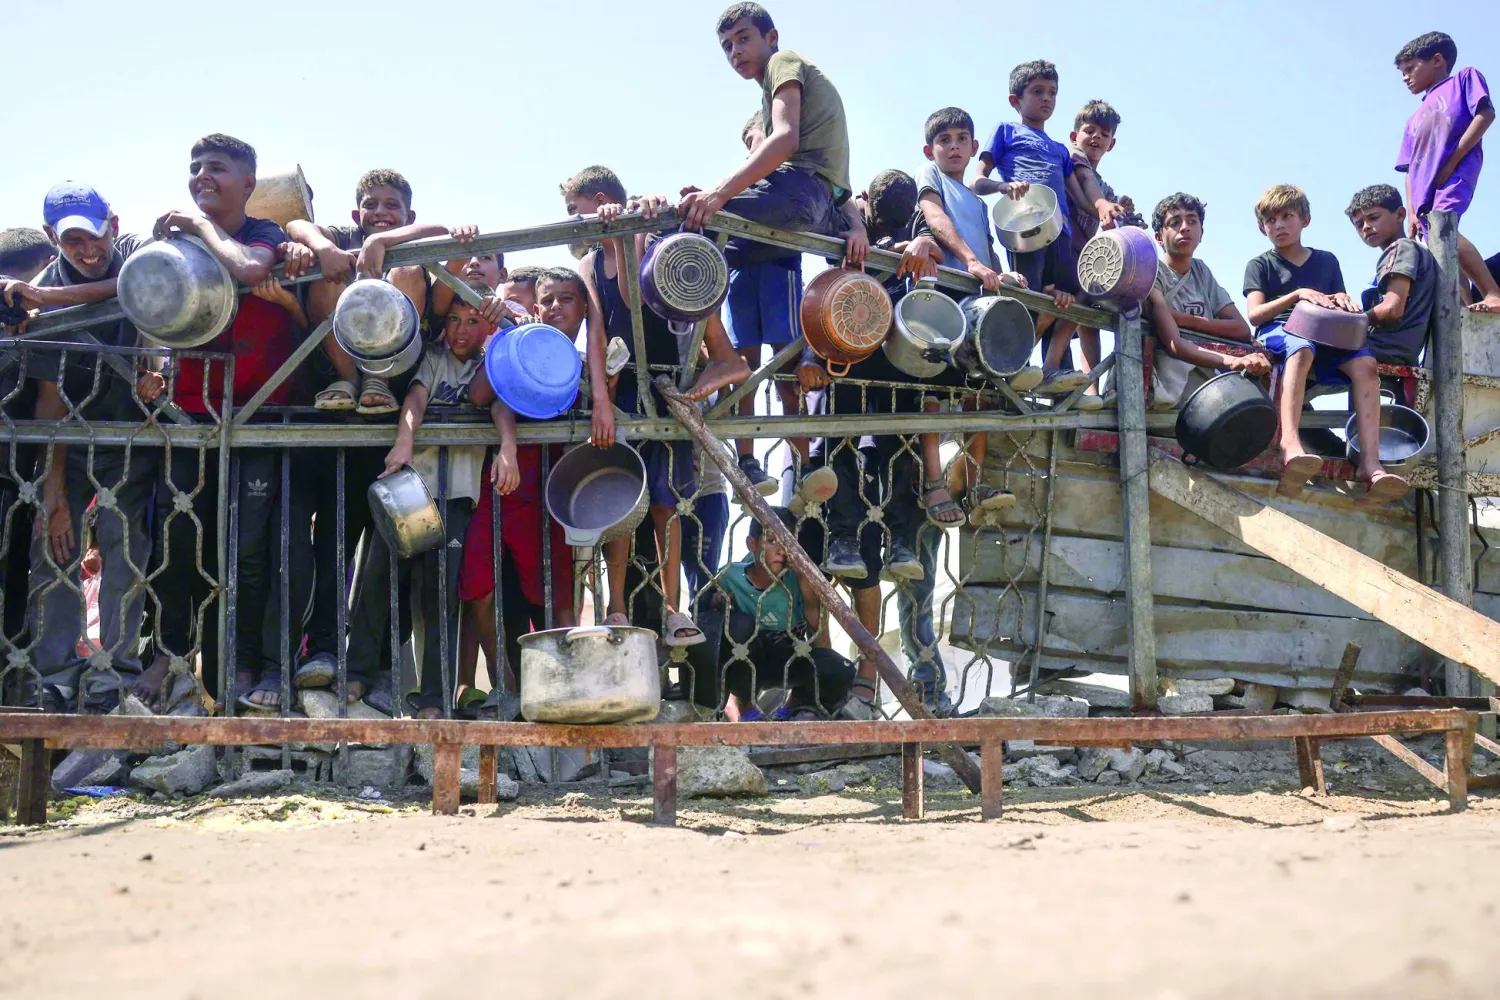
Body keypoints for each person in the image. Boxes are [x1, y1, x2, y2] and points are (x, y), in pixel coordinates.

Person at [139, 133, 298, 711]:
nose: (202, 177)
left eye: (217, 168)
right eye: (195, 167)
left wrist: (200, 228)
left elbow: (251, 270)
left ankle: (239, 661)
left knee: (248, 552)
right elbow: (142, 301)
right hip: (190, 416)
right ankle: (169, 655)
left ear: (249, 184)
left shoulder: (264, 235)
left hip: (257, 419)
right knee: (178, 544)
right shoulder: (175, 242)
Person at [566, 166, 749, 647]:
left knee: (667, 506)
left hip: (672, 376)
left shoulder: (651, 235)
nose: (571, 222)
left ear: (601, 200)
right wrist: (601, 403)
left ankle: (673, 608)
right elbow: (600, 333)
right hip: (626, 389)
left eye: (574, 211)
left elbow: (637, 293)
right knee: (624, 504)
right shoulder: (588, 265)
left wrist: (636, 228)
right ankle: (618, 605)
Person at [0, 183, 161, 711]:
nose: (88, 251)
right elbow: (51, 402)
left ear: (111, 224)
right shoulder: (39, 293)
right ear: (53, 238)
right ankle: (55, 676)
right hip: (72, 434)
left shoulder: (135, 252)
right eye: (73, 242)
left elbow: (139, 288)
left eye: (94, 237)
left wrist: (155, 371)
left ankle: (112, 674)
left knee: (124, 549)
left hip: (133, 435)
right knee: (55, 546)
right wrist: (55, 495)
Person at [346, 287, 512, 718]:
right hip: (411, 487)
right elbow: (416, 399)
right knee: (379, 579)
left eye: (473, 321)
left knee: (441, 596)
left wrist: (507, 448)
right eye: (454, 319)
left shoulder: (489, 366)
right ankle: (357, 672)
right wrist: (404, 442)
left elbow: (499, 409)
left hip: (456, 496)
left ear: (488, 328)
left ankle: (435, 698)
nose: (461, 330)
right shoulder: (433, 357)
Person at [456, 267, 581, 710]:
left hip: (550, 490)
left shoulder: (571, 356)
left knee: (556, 589)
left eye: (526, 305)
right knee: (479, 581)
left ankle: (569, 689)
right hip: (500, 484)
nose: (536, 313)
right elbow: (483, 396)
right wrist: (507, 341)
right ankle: (503, 684)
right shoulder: (512, 345)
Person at [1243, 184, 1407, 505]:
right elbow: (1255, 314)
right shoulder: (1260, 265)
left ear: (1305, 219)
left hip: (1324, 333)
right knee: (1301, 349)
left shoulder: (1327, 261)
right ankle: (1290, 445)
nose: (1279, 225)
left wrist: (1341, 300)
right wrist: (1296, 294)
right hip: (1279, 332)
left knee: (1366, 364)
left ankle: (1370, 463)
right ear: (1262, 228)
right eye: (1271, 220)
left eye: (1286, 216)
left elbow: (1337, 302)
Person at [916, 107, 1037, 530]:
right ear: (931, 149)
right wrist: (969, 261)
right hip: (942, 299)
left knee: (978, 394)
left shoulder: (977, 201)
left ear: (972, 148)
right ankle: (934, 481)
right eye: (944, 139)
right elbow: (936, 220)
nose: (953, 145)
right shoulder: (930, 178)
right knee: (932, 394)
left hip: (978, 303)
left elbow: (986, 245)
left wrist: (1001, 271)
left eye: (961, 138)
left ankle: (975, 482)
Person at [680, 4, 868, 276]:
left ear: (771, 37)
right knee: (725, 255)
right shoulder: (773, 97)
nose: (736, 51)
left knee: (675, 226)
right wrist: (857, 228)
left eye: (744, 38)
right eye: (727, 46)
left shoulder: (782, 62)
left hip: (799, 193)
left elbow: (784, 140)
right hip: (819, 208)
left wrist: (718, 194)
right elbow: (835, 183)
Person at [282, 169, 476, 414]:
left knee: (406, 269)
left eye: (392, 205)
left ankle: (378, 381)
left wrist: (379, 241)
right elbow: (295, 224)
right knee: (327, 274)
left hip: (402, 367)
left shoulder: (412, 240)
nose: (380, 212)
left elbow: (439, 230)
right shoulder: (348, 237)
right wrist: (324, 248)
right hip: (342, 362)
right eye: (370, 205)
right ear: (356, 215)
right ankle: (349, 380)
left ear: (410, 216)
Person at [973, 59, 1086, 395]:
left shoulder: (1060, 149)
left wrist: (1108, 207)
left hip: (1060, 233)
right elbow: (977, 179)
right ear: (1015, 100)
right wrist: (1003, 188)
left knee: (1066, 299)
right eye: (1037, 91)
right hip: (1024, 230)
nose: (1047, 98)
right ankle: (1014, 367)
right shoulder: (1006, 131)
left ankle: (1056, 374)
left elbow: (1079, 197)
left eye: (1052, 92)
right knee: (1028, 297)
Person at [725, 109, 812, 495]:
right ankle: (747, 459)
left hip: (779, 273)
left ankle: (804, 463)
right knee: (744, 369)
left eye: (758, 138)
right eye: (747, 144)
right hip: (741, 276)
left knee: (787, 371)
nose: (752, 149)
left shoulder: (790, 181)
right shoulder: (737, 185)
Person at [1393, 30, 1500, 313]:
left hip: (1454, 173)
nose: (1405, 77)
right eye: (1402, 72)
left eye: (1410, 68)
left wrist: (1453, 160)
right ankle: (1465, 305)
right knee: (1439, 243)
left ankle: (1492, 292)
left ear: (1437, 60)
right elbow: (1408, 168)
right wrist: (1413, 209)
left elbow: (1485, 114)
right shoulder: (1413, 119)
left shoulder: (1464, 78)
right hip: (1423, 188)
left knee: (1444, 231)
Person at [715, 507, 854, 720]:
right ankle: (745, 710)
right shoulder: (730, 576)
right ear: (752, 544)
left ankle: (791, 708)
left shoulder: (798, 579)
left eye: (788, 543)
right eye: (772, 541)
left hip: (789, 658)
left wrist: (806, 584)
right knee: (738, 626)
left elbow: (822, 645)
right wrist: (718, 600)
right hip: (749, 659)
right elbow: (709, 618)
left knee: (839, 668)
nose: (782, 550)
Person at [1144, 193, 1255, 409]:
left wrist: (1181, 319)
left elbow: (1242, 329)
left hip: (1206, 391)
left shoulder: (1201, 271)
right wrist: (1231, 361)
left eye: (1192, 221)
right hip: (1162, 392)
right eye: (1174, 223)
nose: (1184, 227)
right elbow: (1174, 344)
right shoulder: (1151, 273)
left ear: (1201, 233)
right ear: (1159, 237)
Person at [1065, 99, 1135, 400]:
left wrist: (1122, 210)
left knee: (1088, 321)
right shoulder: (1068, 161)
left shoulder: (1105, 188)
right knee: (1062, 313)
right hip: (1061, 252)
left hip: (1084, 260)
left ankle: (1090, 387)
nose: (1096, 138)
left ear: (1112, 143)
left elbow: (1108, 221)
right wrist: (1104, 208)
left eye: (1104, 134)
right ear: (1074, 136)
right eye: (1089, 130)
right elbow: (1085, 197)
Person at [1346, 184, 1439, 371]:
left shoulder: (1401, 248)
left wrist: (1349, 322)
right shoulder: (1413, 251)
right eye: (1359, 224)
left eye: (1373, 218)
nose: (1366, 227)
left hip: (1384, 347)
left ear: (1400, 214)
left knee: (1304, 352)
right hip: (1400, 349)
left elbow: (1392, 309)